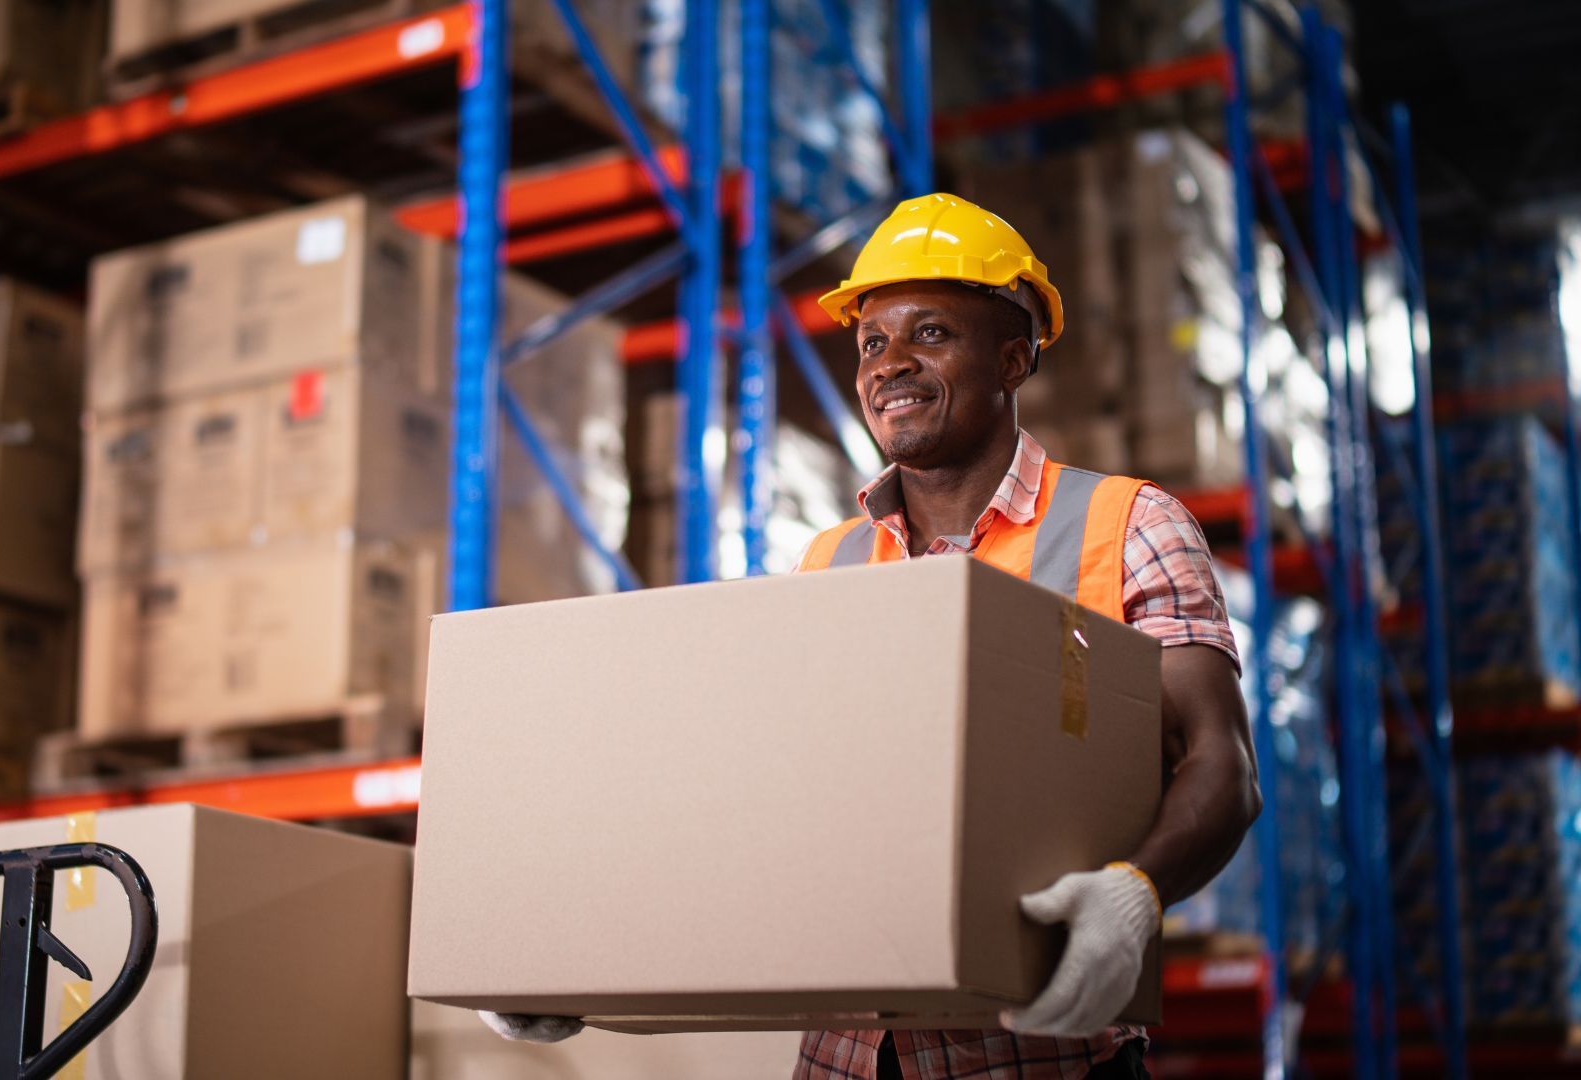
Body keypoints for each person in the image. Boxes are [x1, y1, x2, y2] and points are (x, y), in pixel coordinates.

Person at [479, 193, 1261, 1080]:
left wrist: (1133, 897)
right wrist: (570, 956)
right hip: (847, 1060)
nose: (891, 364)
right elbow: (761, 811)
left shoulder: (1127, 524)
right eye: (872, 343)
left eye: (930, 334)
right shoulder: (831, 562)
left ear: (1014, 356)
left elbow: (1221, 763)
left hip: (1047, 1056)